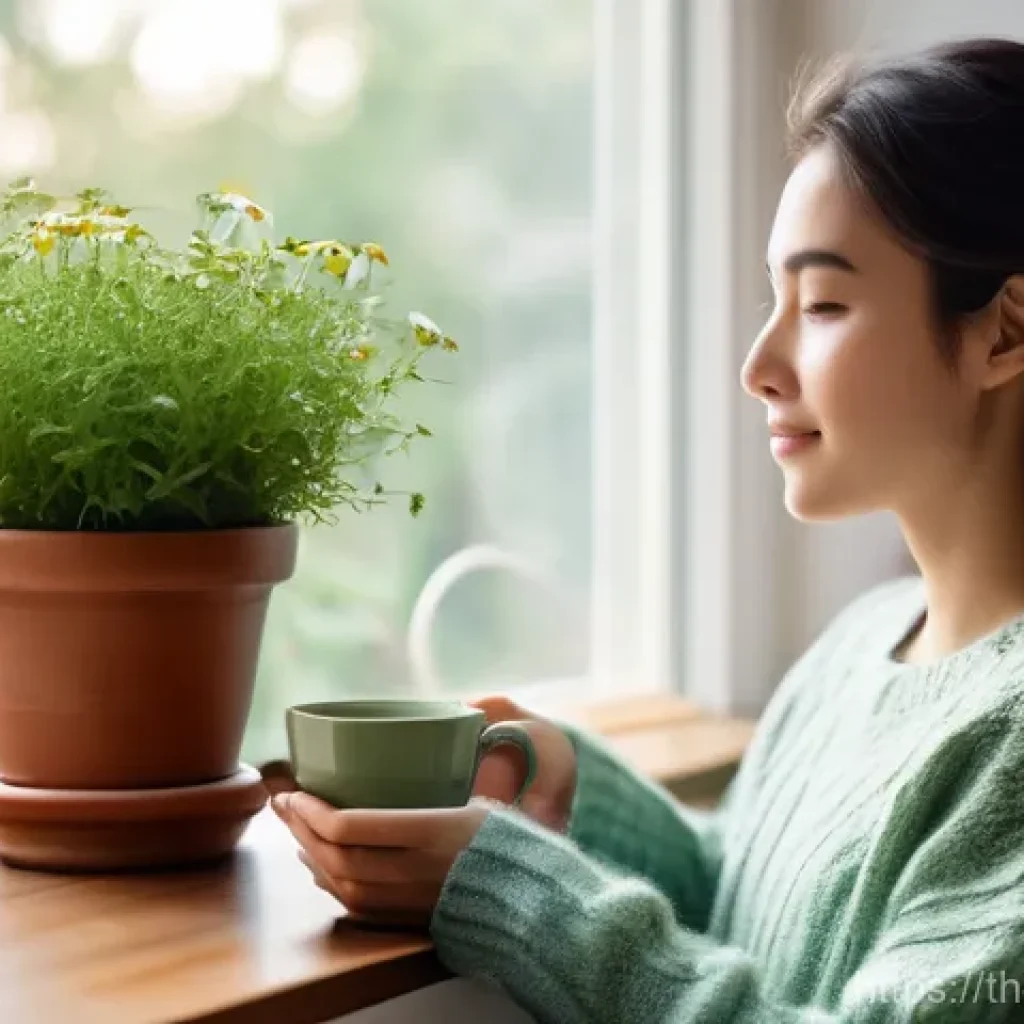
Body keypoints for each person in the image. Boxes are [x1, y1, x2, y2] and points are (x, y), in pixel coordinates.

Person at [271, 37, 1024, 1022]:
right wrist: (573, 787)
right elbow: (741, 895)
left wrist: (516, 894)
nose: (758, 364)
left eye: (824, 303)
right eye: (773, 300)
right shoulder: (857, 648)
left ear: (1005, 330)